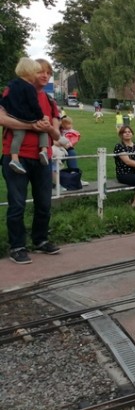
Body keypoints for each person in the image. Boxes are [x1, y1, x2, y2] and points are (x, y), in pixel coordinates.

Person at [1, 58, 62, 264]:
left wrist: (46, 127)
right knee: (17, 203)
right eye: (40, 72)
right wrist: (31, 125)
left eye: (48, 73)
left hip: (42, 158)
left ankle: (40, 239)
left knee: (44, 202)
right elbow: (1, 118)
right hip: (16, 155)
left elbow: (55, 131)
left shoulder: (50, 100)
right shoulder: (14, 90)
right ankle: (17, 246)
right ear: (30, 73)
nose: (44, 76)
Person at [0, 57, 51, 174]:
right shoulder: (29, 88)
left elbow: (5, 100)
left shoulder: (11, 85)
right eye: (37, 72)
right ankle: (43, 149)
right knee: (43, 129)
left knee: (18, 135)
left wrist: (5, 108)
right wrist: (40, 116)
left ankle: (14, 158)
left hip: (13, 116)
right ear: (30, 72)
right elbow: (34, 104)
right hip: (27, 117)